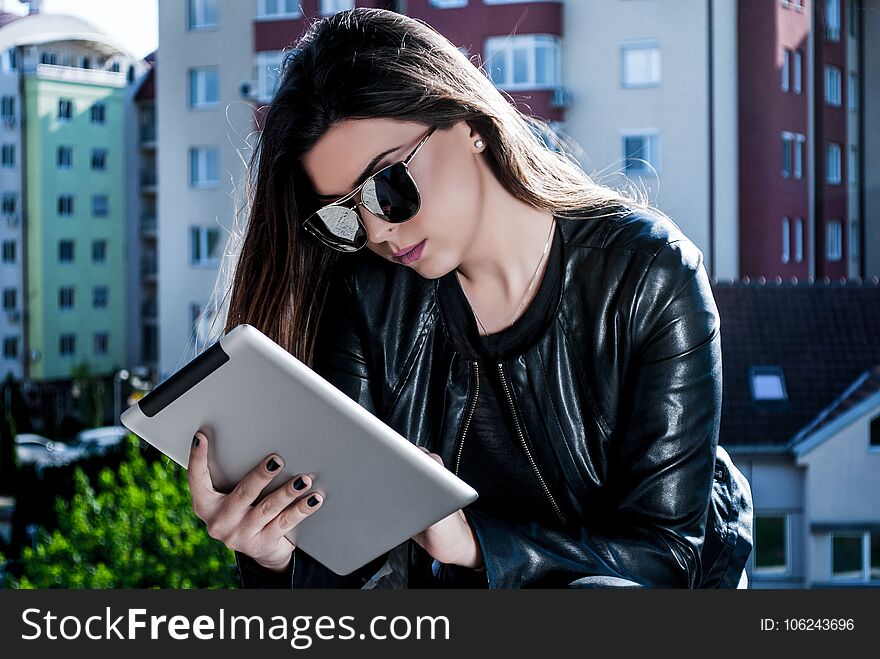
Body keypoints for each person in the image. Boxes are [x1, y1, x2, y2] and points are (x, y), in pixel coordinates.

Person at [186, 7, 753, 589]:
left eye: (386, 184)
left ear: (470, 122)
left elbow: (665, 559)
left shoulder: (649, 273)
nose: (377, 231)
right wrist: (278, 557)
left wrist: (475, 543)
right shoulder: (368, 297)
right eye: (344, 212)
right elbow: (359, 559)